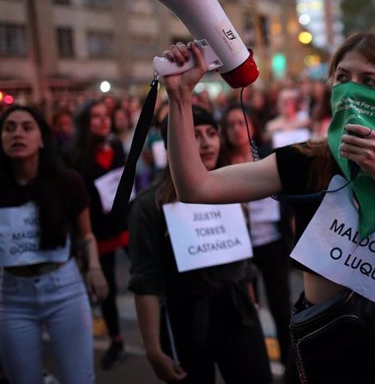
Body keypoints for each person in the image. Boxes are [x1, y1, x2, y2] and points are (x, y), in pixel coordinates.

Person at [161, 32, 375, 383]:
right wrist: (179, 98)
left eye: (368, 80)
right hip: (324, 338)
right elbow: (196, 187)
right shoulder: (305, 160)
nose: (350, 89)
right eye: (342, 78)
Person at [128, 105, 273, 384]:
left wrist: (252, 304)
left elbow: (244, 260)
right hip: (185, 319)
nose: (206, 143)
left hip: (238, 313)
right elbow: (145, 279)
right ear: (174, 143)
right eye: (194, 134)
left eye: (211, 133)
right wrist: (153, 349)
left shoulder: (235, 187)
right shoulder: (150, 205)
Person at [0, 105, 108, 384]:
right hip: (12, 298)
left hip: (65, 291)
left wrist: (94, 267)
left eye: (27, 127)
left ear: (42, 139)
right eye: (9, 128)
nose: (17, 134)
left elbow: (86, 235)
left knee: (79, 378)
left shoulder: (67, 182)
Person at [220, 104, 294, 372]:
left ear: (252, 126)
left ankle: (289, 363)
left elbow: (286, 197)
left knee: (281, 308)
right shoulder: (223, 165)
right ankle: (256, 363)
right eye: (231, 125)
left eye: (242, 123)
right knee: (247, 310)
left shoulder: (266, 157)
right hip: (240, 249)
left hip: (272, 243)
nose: (237, 130)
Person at [71, 99, 129, 370]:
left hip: (123, 224)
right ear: (84, 122)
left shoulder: (116, 146)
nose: (103, 120)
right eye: (96, 116)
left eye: (106, 116)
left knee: (147, 274)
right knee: (107, 291)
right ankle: (116, 340)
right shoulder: (74, 156)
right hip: (97, 231)